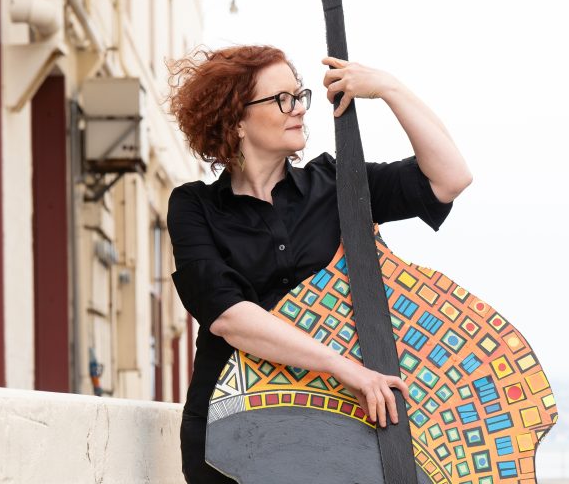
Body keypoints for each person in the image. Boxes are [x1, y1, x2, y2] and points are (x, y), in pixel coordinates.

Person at [166, 45, 473, 483]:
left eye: (299, 96)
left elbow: (450, 178)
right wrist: (348, 369)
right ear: (236, 120)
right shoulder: (193, 206)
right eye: (281, 100)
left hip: (331, 424)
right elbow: (230, 317)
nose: (299, 110)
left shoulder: (334, 183)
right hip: (230, 427)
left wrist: (388, 88)